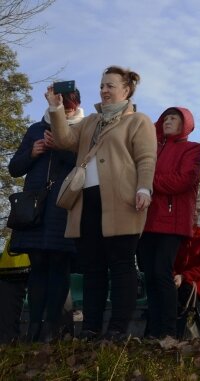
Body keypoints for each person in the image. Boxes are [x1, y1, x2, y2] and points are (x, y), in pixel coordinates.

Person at [46, 66, 157, 340]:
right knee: (92, 267)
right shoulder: (91, 121)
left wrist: (144, 187)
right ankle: (91, 328)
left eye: (110, 85)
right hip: (86, 202)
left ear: (126, 89)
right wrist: (57, 109)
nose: (103, 90)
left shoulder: (138, 120)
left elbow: (146, 158)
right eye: (102, 85)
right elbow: (64, 140)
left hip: (123, 200)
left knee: (121, 264)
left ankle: (118, 328)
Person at [7, 90, 81, 342]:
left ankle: (55, 329)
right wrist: (32, 153)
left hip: (64, 207)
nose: (66, 106)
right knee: (37, 267)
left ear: (76, 105)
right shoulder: (35, 128)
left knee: (60, 267)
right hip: (35, 211)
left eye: (70, 102)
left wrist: (58, 146)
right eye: (61, 102)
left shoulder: (82, 128)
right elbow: (14, 168)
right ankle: (33, 329)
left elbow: (82, 163)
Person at [137, 107, 200, 339]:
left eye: (174, 117)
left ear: (185, 123)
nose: (167, 121)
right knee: (150, 276)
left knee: (162, 273)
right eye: (165, 117)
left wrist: (146, 181)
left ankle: (169, 332)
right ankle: (153, 332)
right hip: (146, 220)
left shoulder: (193, 148)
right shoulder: (151, 148)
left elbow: (184, 180)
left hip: (173, 221)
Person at [173, 198, 200, 338]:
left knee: (186, 290)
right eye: (193, 210)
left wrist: (184, 276)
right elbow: (170, 260)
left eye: (199, 211)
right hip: (180, 277)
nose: (195, 213)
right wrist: (174, 275)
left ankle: (184, 336)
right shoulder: (179, 233)